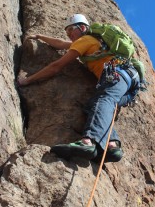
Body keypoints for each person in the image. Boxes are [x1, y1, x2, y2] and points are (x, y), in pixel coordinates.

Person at [17, 14, 140, 163]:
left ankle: (88, 142)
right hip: (128, 84)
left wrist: (28, 80)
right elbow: (61, 44)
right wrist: (41, 36)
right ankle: (112, 146)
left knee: (104, 100)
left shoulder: (85, 41)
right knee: (93, 106)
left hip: (117, 76)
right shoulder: (93, 41)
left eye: (71, 30)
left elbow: (56, 67)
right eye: (67, 32)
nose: (68, 34)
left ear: (82, 28)